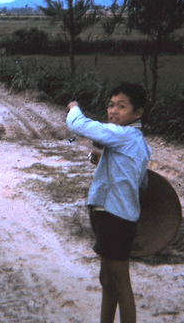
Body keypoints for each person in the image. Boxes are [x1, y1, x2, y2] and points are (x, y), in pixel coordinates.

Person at [66, 83, 151, 323]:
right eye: (111, 105)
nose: (113, 111)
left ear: (137, 113)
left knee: (120, 283)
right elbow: (140, 182)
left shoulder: (122, 135)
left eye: (121, 106)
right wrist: (107, 161)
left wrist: (74, 108)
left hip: (115, 217)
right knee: (107, 279)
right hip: (114, 216)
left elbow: (78, 125)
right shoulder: (138, 141)